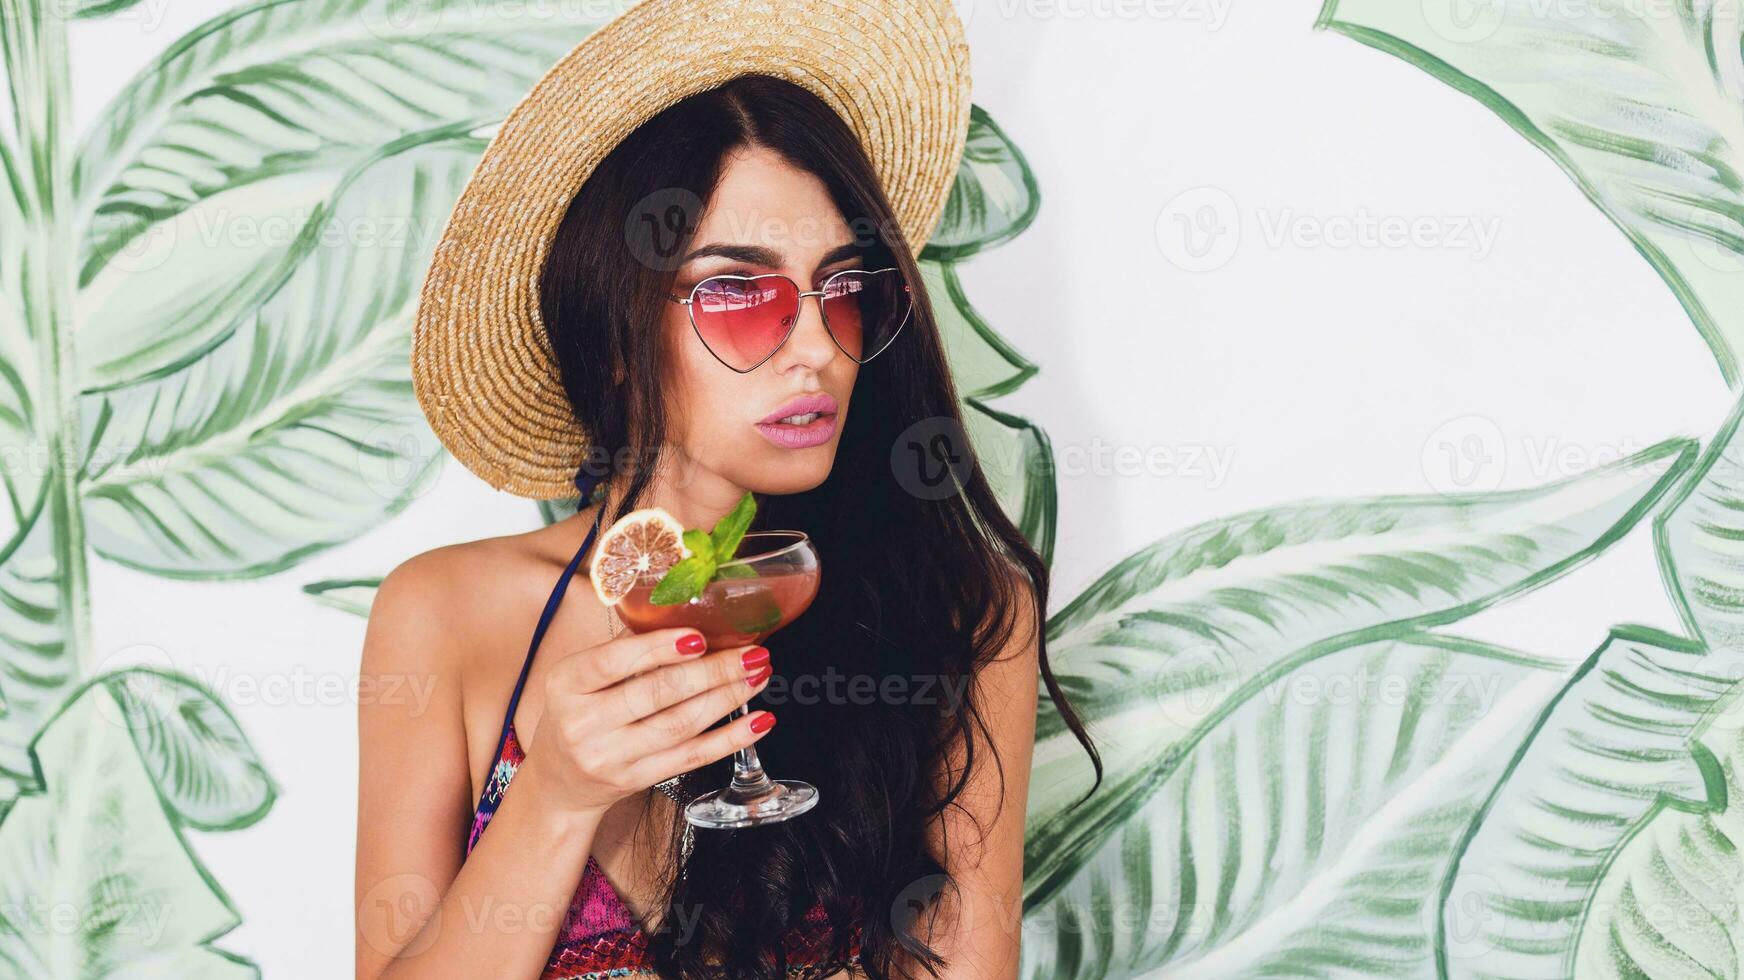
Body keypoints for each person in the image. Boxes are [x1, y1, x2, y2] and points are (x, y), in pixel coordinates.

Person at [356, 3, 1101, 977]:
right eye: (741, 295)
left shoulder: (956, 607)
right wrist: (555, 797)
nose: (814, 350)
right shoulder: (444, 612)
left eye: (842, 288)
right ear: (618, 334)